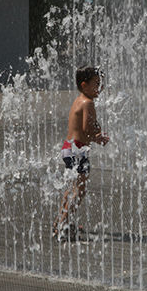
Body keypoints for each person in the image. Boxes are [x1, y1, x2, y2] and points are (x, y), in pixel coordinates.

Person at [53, 66, 109, 240]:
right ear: (84, 85)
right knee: (80, 189)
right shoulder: (88, 103)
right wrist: (98, 138)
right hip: (78, 150)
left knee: (72, 187)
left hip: (69, 148)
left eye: (102, 83)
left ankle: (60, 220)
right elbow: (87, 129)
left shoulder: (79, 100)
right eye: (97, 84)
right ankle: (62, 225)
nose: (101, 87)